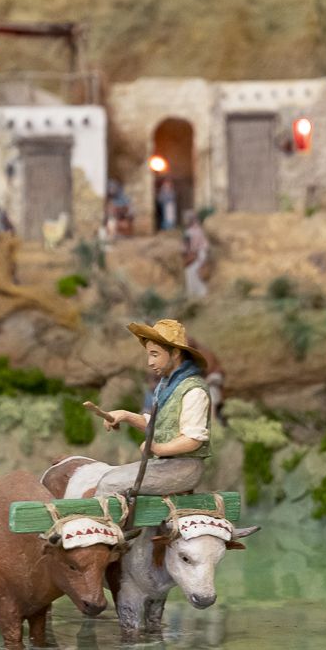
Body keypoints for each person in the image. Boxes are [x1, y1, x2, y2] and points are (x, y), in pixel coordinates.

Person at [89, 319, 211, 496]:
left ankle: (110, 524)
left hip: (185, 467)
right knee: (109, 476)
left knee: (111, 484)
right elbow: (157, 425)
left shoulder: (193, 390)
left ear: (175, 353)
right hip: (166, 464)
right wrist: (125, 415)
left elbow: (193, 440)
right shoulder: (167, 387)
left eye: (155, 354)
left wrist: (158, 448)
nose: (150, 362)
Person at [182, 210, 210, 299]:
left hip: (194, 256)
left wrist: (187, 257)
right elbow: (205, 245)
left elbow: (188, 248)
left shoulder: (188, 232)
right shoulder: (199, 230)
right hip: (202, 255)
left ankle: (195, 296)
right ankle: (201, 295)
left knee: (191, 275)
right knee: (198, 275)